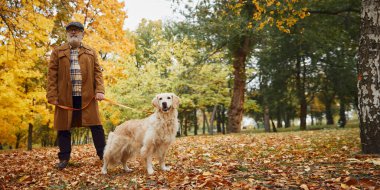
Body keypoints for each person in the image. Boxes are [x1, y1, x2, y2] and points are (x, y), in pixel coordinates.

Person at [47, 22, 106, 169]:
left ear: (82, 34)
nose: (73, 33)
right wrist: (52, 95)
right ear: (67, 34)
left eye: (77, 31)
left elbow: (98, 73)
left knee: (96, 126)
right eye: (70, 31)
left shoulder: (91, 52)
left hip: (88, 96)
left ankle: (105, 156)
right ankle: (64, 158)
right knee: (63, 127)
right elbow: (52, 75)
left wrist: (99, 90)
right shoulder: (58, 52)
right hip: (65, 97)